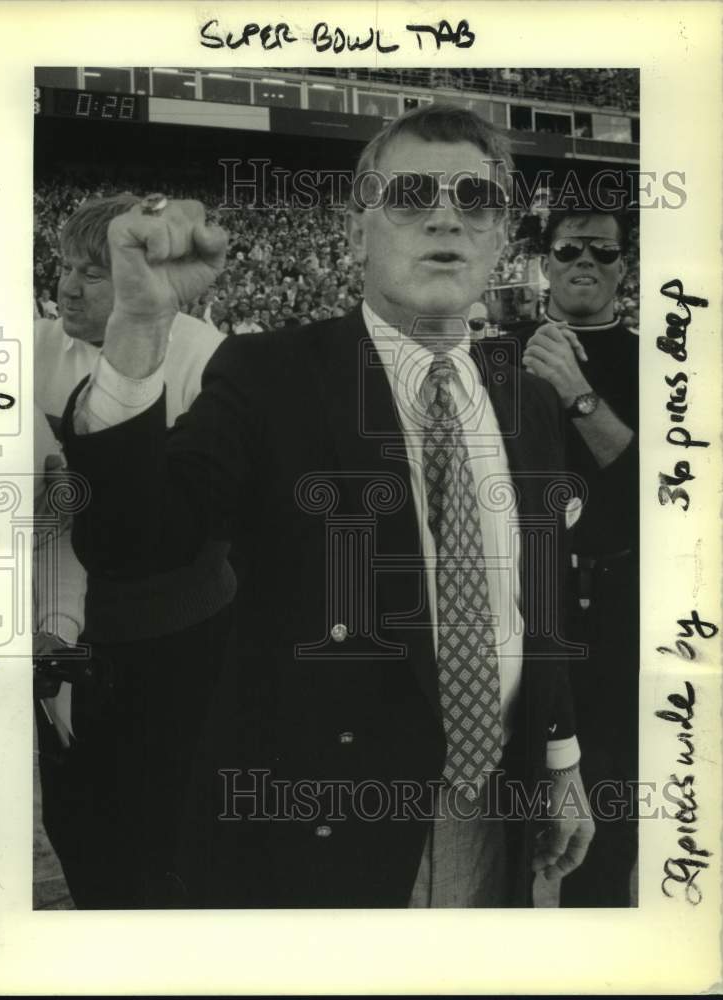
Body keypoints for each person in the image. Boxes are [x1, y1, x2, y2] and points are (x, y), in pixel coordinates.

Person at [63, 105, 594, 908]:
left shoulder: (529, 399)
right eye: (411, 195)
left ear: (499, 243)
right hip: (326, 821)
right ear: (355, 234)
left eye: (474, 203)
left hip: (495, 807)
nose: (445, 215)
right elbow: (135, 544)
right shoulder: (270, 374)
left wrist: (561, 756)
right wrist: (139, 326)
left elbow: (533, 598)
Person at [34, 194, 236, 908]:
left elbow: (184, 522)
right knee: (79, 821)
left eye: (93, 272)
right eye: (63, 265)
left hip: (172, 634)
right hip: (65, 633)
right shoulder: (31, 346)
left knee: (167, 832)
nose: (67, 285)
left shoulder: (204, 355)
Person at [511, 206, 638, 906]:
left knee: (607, 822)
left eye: (603, 251)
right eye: (567, 249)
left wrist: (577, 393)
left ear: (626, 266)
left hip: (612, 613)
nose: (584, 262)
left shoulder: (663, 361)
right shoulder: (499, 350)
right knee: (501, 811)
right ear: (545, 261)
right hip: (520, 605)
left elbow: (671, 487)